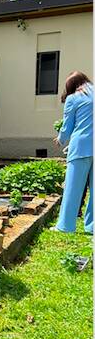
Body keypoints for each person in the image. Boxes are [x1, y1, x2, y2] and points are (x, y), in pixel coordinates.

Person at [52, 71, 93, 234]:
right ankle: (92, 226)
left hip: (80, 147)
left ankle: (65, 226)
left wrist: (61, 139)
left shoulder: (73, 98)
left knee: (72, 189)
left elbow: (67, 126)